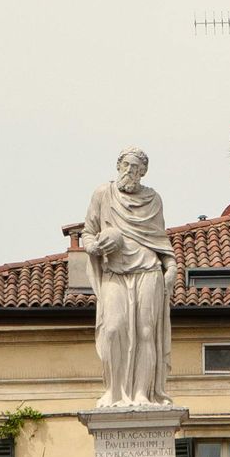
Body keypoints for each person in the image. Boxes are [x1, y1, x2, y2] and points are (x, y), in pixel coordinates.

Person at [81, 149, 177, 408]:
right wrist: (94, 247)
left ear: (143, 172)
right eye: (126, 165)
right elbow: (88, 233)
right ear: (118, 165)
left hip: (148, 271)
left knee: (147, 332)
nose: (130, 172)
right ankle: (114, 392)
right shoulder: (103, 194)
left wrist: (172, 266)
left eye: (136, 168)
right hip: (115, 272)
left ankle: (143, 394)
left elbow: (160, 241)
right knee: (113, 330)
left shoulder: (153, 199)